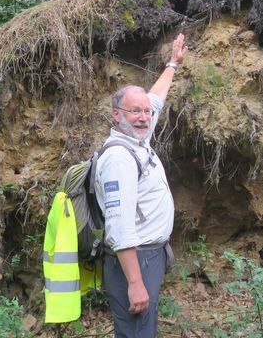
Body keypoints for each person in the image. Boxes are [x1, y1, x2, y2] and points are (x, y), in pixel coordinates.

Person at [94, 33, 187, 338]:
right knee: (136, 334)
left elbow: (155, 99)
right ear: (116, 115)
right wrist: (135, 283)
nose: (144, 116)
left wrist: (173, 63)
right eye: (135, 111)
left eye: (145, 112)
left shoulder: (137, 138)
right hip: (136, 262)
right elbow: (119, 228)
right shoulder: (119, 158)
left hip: (150, 256)